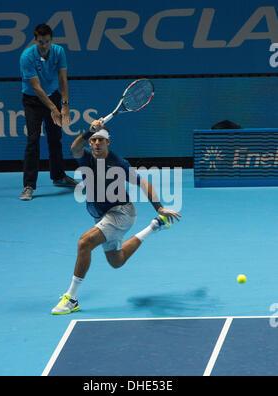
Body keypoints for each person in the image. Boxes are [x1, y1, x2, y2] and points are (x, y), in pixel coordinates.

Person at [51, 118, 181, 315]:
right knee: (116, 261)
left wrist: (159, 207)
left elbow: (143, 183)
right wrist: (89, 131)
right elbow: (74, 148)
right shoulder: (85, 158)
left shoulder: (118, 163)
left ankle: (71, 298)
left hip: (121, 213)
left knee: (84, 243)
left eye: (100, 140)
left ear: (108, 142)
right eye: (93, 140)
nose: (96, 143)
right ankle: (155, 226)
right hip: (102, 215)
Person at [19, 23, 76, 201]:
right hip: (33, 101)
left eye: (47, 42)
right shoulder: (27, 57)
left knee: (55, 138)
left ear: (51, 41)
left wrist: (64, 105)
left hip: (54, 95)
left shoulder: (59, 52)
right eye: (41, 42)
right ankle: (29, 185)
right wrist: (54, 108)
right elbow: (36, 87)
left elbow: (62, 80)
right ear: (36, 41)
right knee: (33, 140)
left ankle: (58, 176)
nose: (44, 45)